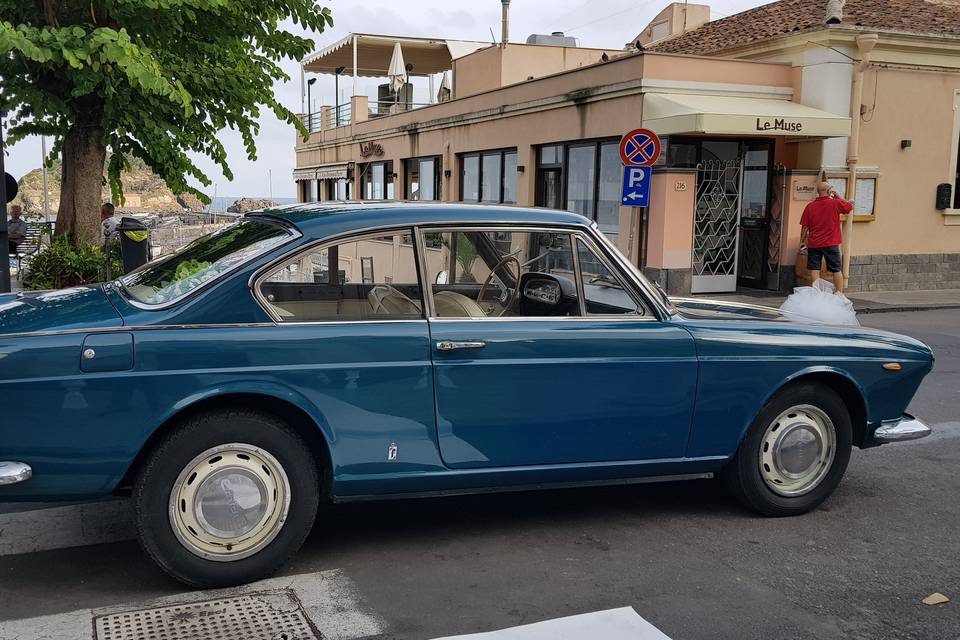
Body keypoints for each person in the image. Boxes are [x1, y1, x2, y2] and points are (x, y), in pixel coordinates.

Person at [800, 182, 854, 294]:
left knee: (815, 269)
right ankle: (839, 293)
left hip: (814, 243)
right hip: (831, 243)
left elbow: (804, 227)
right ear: (829, 191)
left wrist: (802, 241)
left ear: (818, 192)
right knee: (836, 270)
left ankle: (817, 293)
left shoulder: (810, 206)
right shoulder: (835, 203)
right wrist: (838, 195)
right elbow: (849, 207)